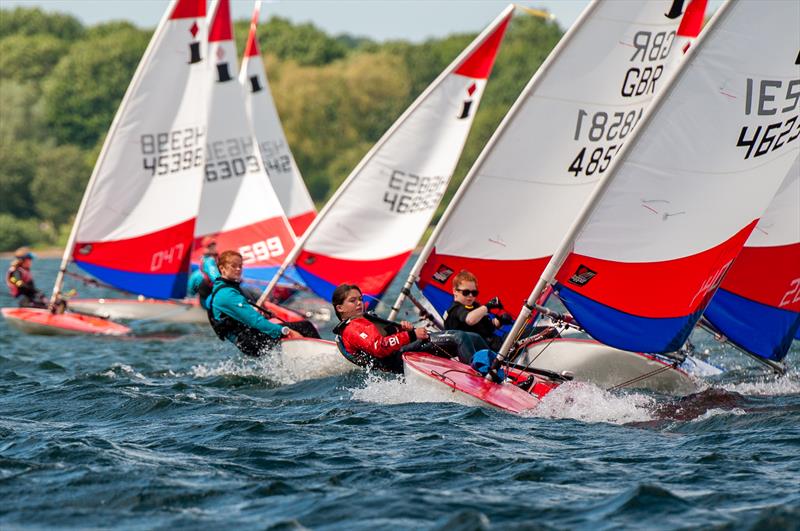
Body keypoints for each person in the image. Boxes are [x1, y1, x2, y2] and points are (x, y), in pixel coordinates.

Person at [331, 283, 481, 373]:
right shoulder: (352, 328)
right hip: (397, 360)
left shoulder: (364, 319)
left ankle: (494, 368)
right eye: (352, 301)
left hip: (404, 349)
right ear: (340, 308)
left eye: (360, 299)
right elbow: (379, 347)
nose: (359, 303)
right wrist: (412, 335)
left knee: (473, 337)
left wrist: (403, 331)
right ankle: (478, 380)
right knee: (459, 338)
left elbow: (386, 336)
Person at [207, 250, 302, 356]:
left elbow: (245, 316)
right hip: (250, 341)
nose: (238, 269)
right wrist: (286, 331)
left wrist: (263, 315)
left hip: (248, 337)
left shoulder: (227, 287)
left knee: (281, 324)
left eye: (240, 266)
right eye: (233, 266)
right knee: (304, 326)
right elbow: (255, 321)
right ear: (222, 269)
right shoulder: (227, 294)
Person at [443, 270, 514, 351]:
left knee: (524, 333)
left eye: (474, 293)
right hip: (480, 354)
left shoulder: (475, 306)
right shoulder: (455, 309)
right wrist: (488, 306)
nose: (470, 295)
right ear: (455, 291)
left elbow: (488, 327)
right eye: (466, 292)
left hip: (496, 346)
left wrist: (500, 320)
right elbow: (470, 320)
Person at [187, 236, 220, 309]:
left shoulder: (218, 259)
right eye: (210, 246)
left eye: (214, 245)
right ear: (205, 248)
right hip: (207, 298)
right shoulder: (208, 261)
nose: (213, 247)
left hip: (216, 294)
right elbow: (216, 278)